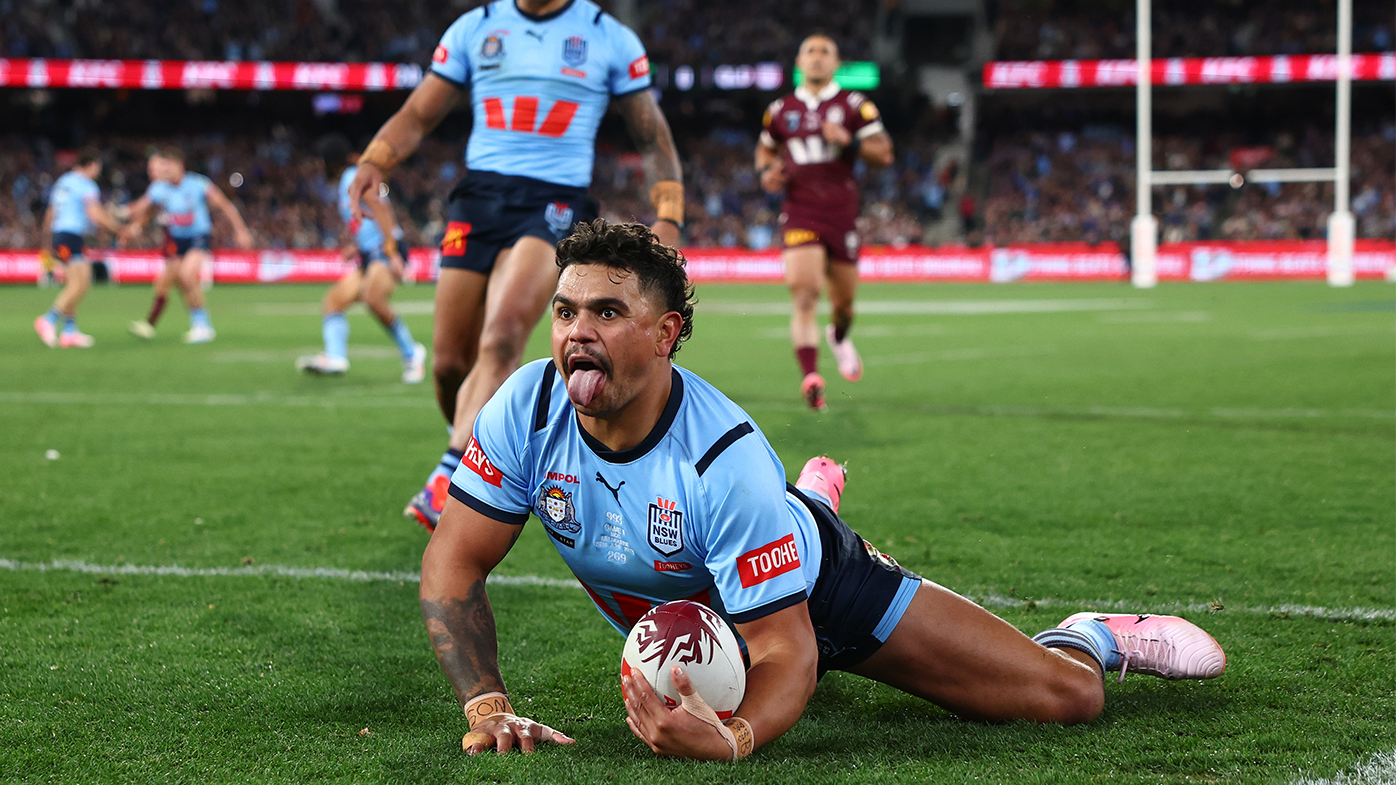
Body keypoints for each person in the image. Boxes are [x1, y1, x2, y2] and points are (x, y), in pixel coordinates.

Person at [420, 219, 1227, 760]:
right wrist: (487, 707)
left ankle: (1091, 633)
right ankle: (801, 505)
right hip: (720, 614)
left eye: (606, 311)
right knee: (748, 587)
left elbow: (788, 651)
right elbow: (452, 562)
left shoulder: (723, 459)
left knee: (1069, 699)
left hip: (821, 590)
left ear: (666, 334)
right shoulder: (526, 407)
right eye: (565, 311)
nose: (576, 332)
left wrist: (732, 738)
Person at [344, 0, 684, 531]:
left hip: (555, 201)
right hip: (478, 199)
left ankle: (450, 475)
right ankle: (477, 450)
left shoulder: (607, 36)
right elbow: (419, 114)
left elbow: (651, 134)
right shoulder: (475, 27)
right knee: (449, 364)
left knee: (503, 335)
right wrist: (373, 161)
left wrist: (670, 213)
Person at [755, 34, 894, 412]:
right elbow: (765, 148)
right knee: (804, 292)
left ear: (836, 63)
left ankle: (839, 334)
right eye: (810, 52)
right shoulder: (780, 109)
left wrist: (850, 141)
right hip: (800, 210)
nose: (817, 58)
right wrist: (767, 171)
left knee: (844, 305)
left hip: (841, 213)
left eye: (825, 52)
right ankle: (811, 376)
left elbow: (884, 153)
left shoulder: (854, 105)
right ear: (799, 61)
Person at [295, 135, 427, 382]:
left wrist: (392, 251)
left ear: (330, 161)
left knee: (372, 297)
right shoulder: (348, 180)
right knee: (333, 302)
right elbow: (367, 219)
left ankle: (412, 353)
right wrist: (356, 246)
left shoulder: (352, 178)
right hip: (370, 253)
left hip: (384, 250)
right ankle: (336, 357)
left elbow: (381, 210)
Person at [122, 147, 254, 344]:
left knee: (186, 275)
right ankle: (198, 325)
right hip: (177, 241)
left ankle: (203, 326)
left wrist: (240, 230)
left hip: (198, 237)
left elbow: (225, 205)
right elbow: (144, 208)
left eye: (167, 166)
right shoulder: (159, 188)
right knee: (175, 283)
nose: (164, 170)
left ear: (179, 166)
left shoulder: (198, 183)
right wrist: (127, 219)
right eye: (163, 166)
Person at [33, 149, 127, 348]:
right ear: (92, 165)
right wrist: (119, 229)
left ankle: (69, 331)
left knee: (77, 283)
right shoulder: (86, 185)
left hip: (61, 235)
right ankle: (48, 320)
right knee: (79, 284)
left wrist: (47, 241)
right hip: (71, 236)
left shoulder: (62, 182)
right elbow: (95, 215)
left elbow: (51, 212)